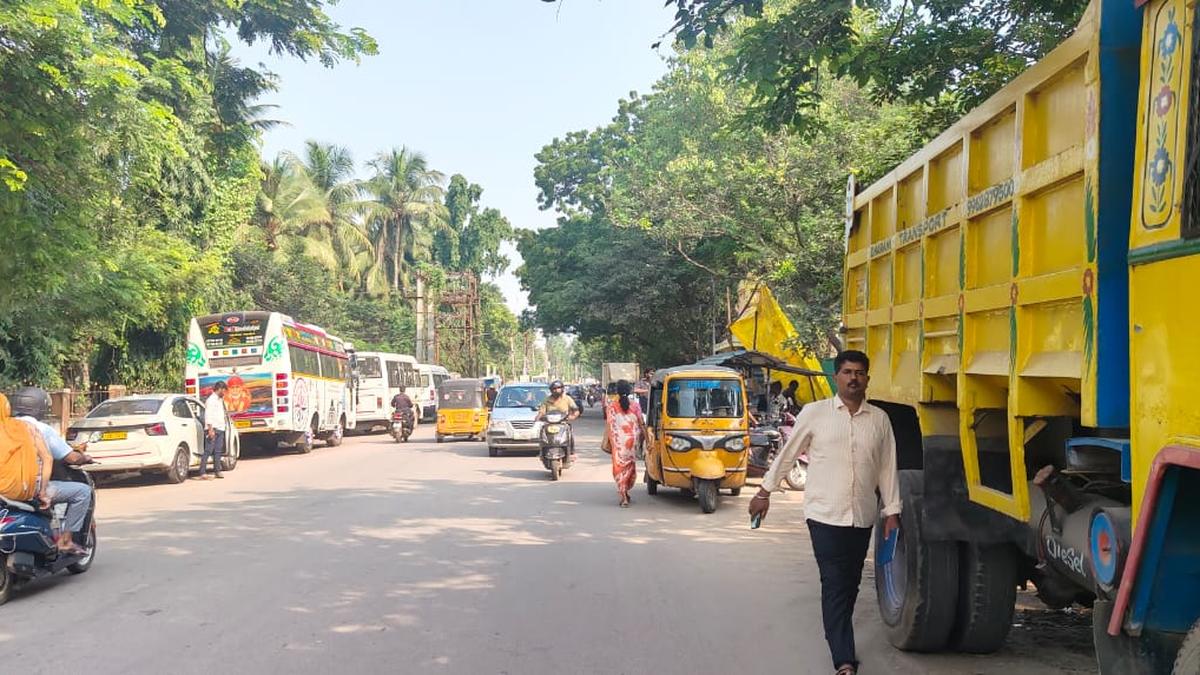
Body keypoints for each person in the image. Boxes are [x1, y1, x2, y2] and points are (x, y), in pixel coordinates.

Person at [748, 350, 901, 675]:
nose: (853, 378)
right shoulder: (815, 414)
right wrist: (764, 491)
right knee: (834, 582)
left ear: (867, 379)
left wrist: (893, 511)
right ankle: (844, 659)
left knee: (850, 583)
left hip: (861, 516)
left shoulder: (879, 420)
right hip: (824, 516)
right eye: (847, 372)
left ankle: (839, 633)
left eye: (859, 372)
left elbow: (888, 468)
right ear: (837, 376)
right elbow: (788, 455)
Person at [7, 387, 94, 554]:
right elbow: (69, 458)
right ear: (40, 408)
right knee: (82, 492)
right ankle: (66, 540)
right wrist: (85, 457)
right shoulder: (40, 429)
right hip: (30, 486)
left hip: (5, 487)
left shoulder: (6, 427)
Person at [604, 380, 645, 507]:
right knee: (630, 467)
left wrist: (610, 441)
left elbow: (609, 425)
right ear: (629, 391)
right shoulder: (635, 406)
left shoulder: (611, 407)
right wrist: (647, 438)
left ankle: (623, 494)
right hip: (631, 442)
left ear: (617, 391)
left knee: (619, 468)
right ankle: (626, 491)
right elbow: (641, 423)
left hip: (618, 442)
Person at [536, 380, 580, 458]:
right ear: (551, 390)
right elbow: (542, 412)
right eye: (554, 388)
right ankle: (542, 451)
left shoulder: (567, 399)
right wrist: (537, 418)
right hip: (550, 423)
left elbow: (576, 411)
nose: (556, 390)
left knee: (570, 433)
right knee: (542, 432)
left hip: (563, 423)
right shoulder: (547, 400)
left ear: (562, 389)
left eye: (558, 388)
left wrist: (572, 417)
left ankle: (572, 452)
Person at [200, 381, 228, 480]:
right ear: (219, 389)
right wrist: (210, 429)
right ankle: (202, 472)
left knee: (218, 451)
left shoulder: (220, 400)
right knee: (208, 450)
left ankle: (217, 471)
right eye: (224, 390)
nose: (224, 393)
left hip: (220, 428)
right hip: (213, 428)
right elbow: (208, 415)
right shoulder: (211, 400)